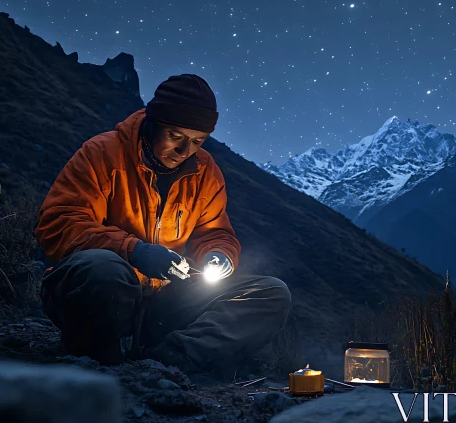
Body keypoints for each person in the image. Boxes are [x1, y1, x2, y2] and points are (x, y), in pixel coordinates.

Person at [35, 74, 291, 376]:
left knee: (270, 293)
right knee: (102, 267)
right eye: (175, 136)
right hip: (103, 296)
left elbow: (215, 231)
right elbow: (59, 222)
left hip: (164, 304)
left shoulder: (205, 172)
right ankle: (99, 357)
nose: (185, 151)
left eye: (197, 141)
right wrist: (133, 251)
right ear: (153, 123)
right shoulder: (102, 154)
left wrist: (218, 255)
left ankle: (168, 362)